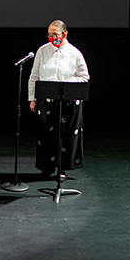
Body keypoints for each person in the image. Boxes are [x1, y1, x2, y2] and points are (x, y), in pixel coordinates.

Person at [27, 20, 90, 179]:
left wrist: (66, 83)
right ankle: (46, 167)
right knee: (46, 135)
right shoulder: (42, 51)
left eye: (56, 34)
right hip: (46, 100)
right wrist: (32, 98)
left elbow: (84, 77)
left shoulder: (74, 53)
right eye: (50, 34)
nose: (52, 37)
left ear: (64, 34)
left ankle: (62, 167)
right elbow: (34, 76)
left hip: (67, 100)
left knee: (64, 135)